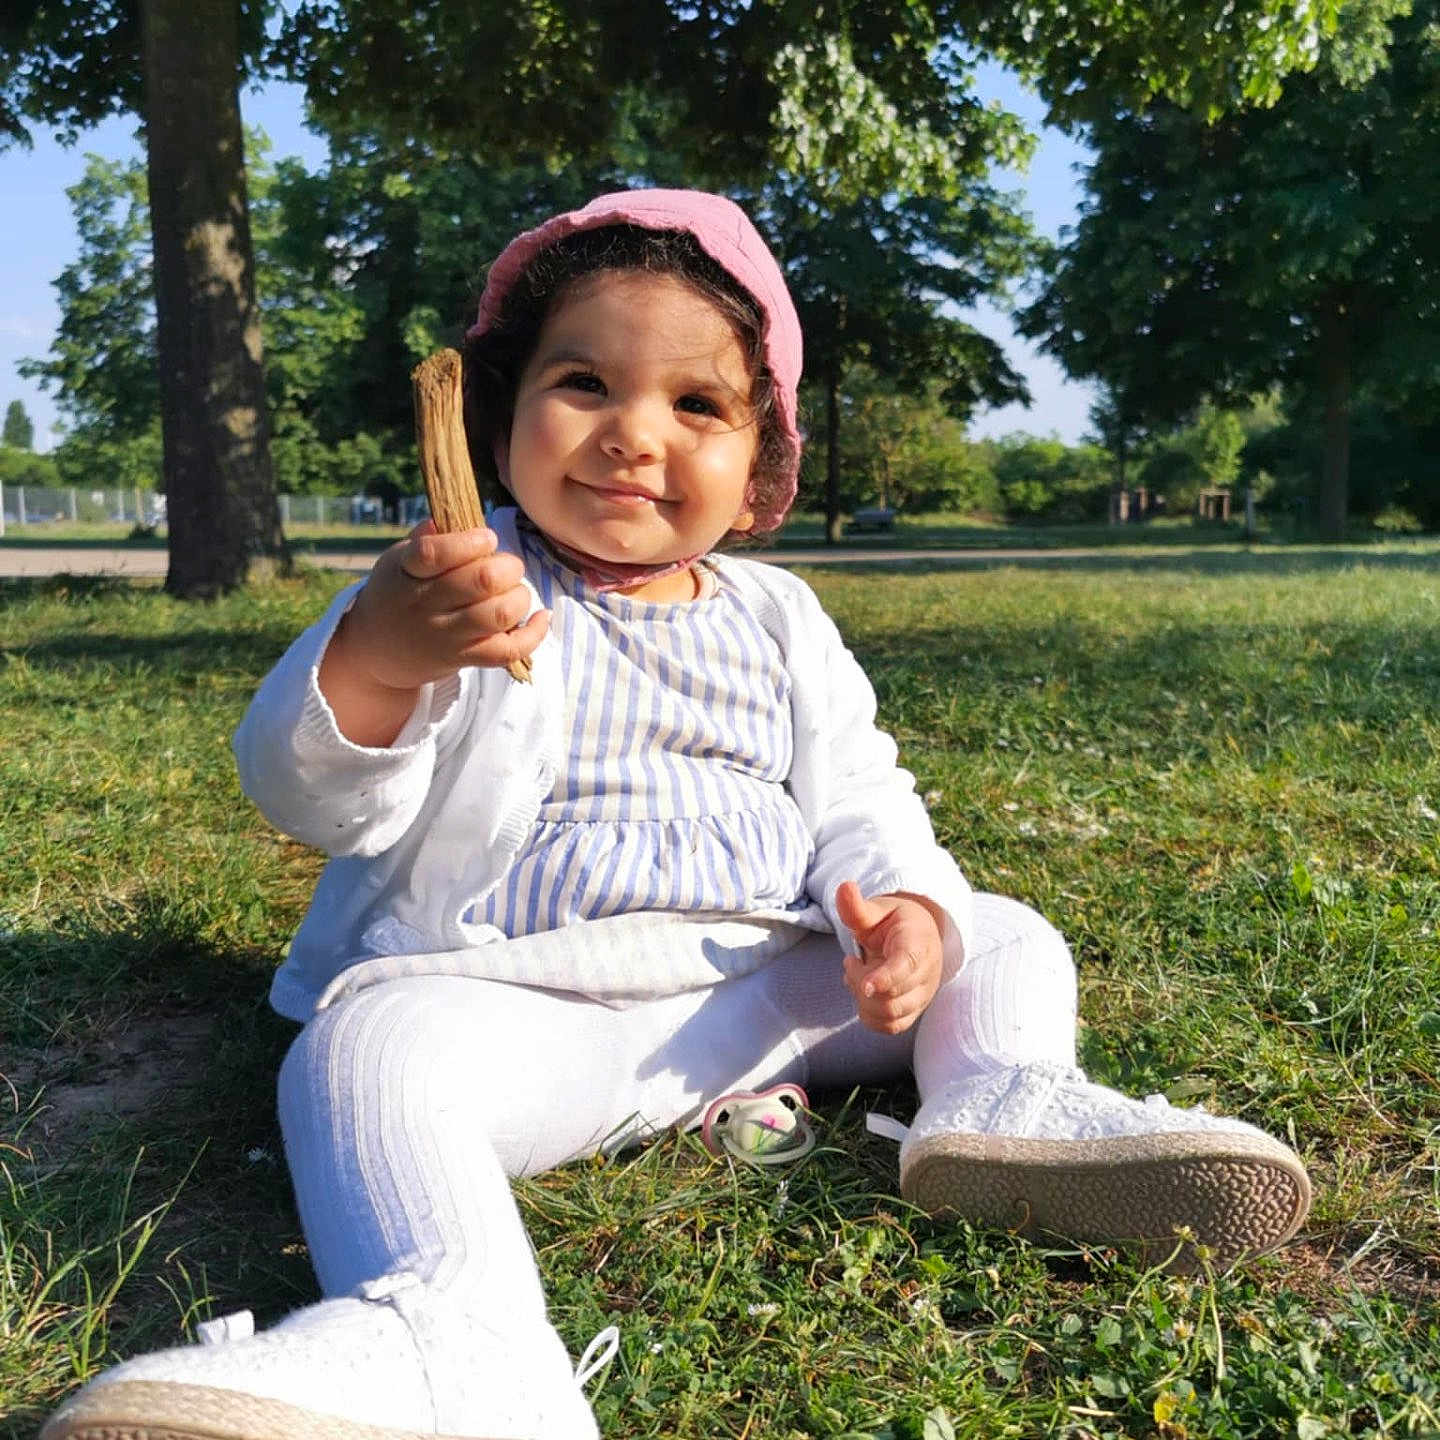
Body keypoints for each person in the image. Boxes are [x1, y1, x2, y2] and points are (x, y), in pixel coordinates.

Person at [42, 190, 1311, 1440]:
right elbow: (310, 792)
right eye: (583, 384)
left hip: (769, 984)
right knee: (365, 1056)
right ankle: (456, 1340)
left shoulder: (779, 618)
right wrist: (380, 657)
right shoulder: (458, 582)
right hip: (536, 1004)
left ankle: (1002, 1100)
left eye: (696, 404)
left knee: (1005, 931)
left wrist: (908, 915)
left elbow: (862, 794)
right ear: (503, 413)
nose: (632, 436)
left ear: (760, 464)